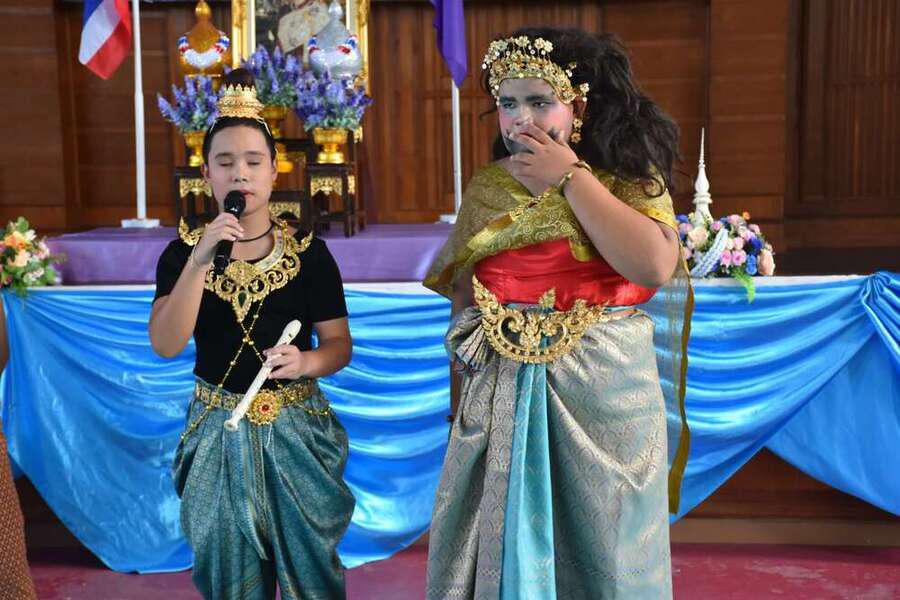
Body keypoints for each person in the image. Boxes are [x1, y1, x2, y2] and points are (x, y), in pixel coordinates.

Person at [423, 27, 692, 599]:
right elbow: (466, 299)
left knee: (607, 547)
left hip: (605, 387)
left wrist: (570, 178)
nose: (521, 119)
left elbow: (653, 265)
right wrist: (460, 403)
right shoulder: (489, 187)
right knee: (503, 541)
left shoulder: (627, 178)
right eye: (508, 103)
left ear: (580, 106)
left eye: (540, 102)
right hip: (500, 392)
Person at [149, 68, 355, 600]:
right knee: (227, 572)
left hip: (297, 429)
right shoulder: (181, 254)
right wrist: (199, 261)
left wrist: (306, 363)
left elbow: (338, 346)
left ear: (274, 169)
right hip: (216, 429)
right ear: (206, 174)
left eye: (252, 161)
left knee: (312, 571)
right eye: (224, 162)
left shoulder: (309, 254)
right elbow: (166, 344)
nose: (239, 173)